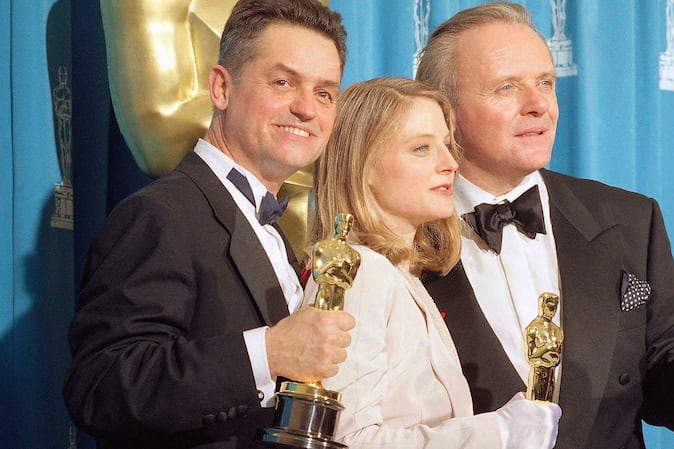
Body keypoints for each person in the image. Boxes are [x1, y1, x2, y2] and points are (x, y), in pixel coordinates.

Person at [417, 2, 674, 448]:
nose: (539, 105)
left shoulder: (629, 219)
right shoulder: (397, 234)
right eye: (506, 88)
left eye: (545, 83)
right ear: (444, 109)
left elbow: (658, 352)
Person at [63, 1, 354, 448]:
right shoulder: (162, 216)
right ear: (221, 87)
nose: (306, 109)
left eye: (324, 93)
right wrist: (269, 352)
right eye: (283, 82)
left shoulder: (277, 230)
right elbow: (100, 388)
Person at [307, 77, 561, 448]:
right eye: (421, 148)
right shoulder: (360, 272)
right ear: (364, 166)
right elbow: (349, 441)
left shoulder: (399, 276)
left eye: (446, 145)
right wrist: (499, 433)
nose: (450, 163)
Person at [98, 0, 313, 253]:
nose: (307, 110)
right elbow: (159, 129)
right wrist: (291, 136)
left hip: (306, 238)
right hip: (209, 228)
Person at [525, 292, 563, 402]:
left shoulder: (557, 330)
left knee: (548, 404)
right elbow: (531, 356)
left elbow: (558, 354)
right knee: (535, 405)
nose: (553, 309)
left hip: (551, 374)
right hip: (538, 373)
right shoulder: (534, 327)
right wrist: (547, 349)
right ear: (542, 305)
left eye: (555, 306)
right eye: (550, 305)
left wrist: (554, 358)